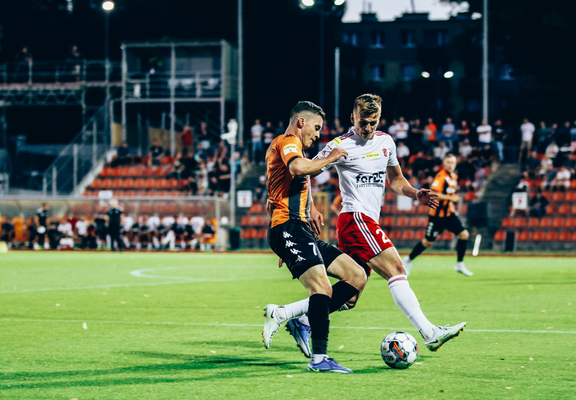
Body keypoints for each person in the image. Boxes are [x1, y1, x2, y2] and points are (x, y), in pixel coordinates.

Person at [267, 95, 465, 362]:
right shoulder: (339, 145)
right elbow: (306, 172)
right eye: (363, 122)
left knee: (350, 294)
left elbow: (396, 180)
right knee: (396, 269)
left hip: (368, 220)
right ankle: (430, 333)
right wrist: (309, 208)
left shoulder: (386, 142)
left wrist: (414, 192)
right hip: (355, 218)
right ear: (353, 118)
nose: (368, 128)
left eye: (373, 122)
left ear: (379, 119)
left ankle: (292, 316)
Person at [262, 101, 367, 373]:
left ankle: (300, 320)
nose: (318, 134)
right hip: (288, 228)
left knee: (356, 277)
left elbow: (284, 187)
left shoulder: (293, 149)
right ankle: (320, 359)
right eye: (316, 127)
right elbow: (298, 168)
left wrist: (311, 208)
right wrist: (331, 158)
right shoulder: (288, 142)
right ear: (301, 122)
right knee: (322, 288)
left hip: (298, 229)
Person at [404, 154, 472, 276]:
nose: (450, 165)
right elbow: (434, 194)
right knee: (428, 242)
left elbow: (450, 196)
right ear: (444, 164)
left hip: (448, 215)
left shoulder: (454, 177)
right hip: (436, 217)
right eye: (448, 162)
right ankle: (408, 260)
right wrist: (451, 199)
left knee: (464, 234)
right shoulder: (441, 177)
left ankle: (459, 264)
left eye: (452, 162)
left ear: (455, 164)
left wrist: (452, 207)